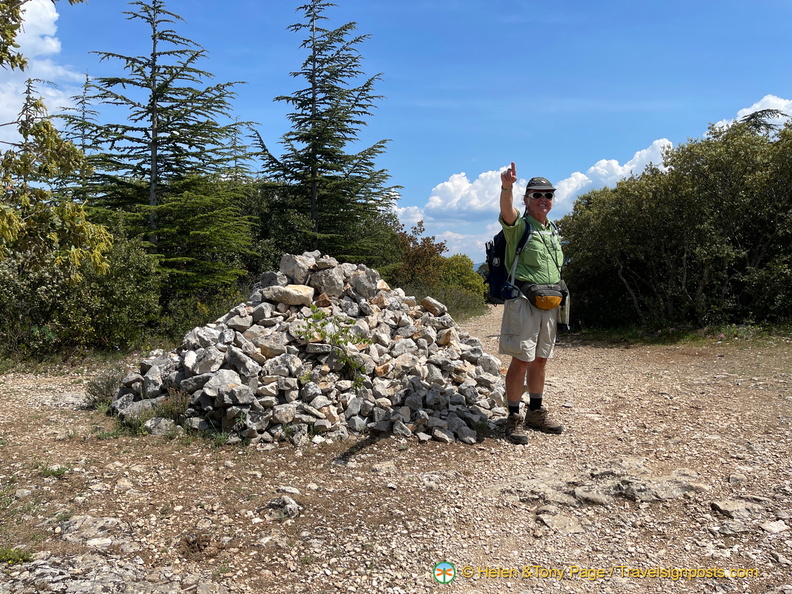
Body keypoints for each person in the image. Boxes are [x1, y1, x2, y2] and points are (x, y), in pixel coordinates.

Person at [498, 162, 565, 444]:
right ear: (527, 200)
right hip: (524, 302)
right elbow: (507, 212)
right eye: (536, 195)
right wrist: (507, 187)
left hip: (550, 303)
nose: (543, 199)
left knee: (541, 359)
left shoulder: (552, 231)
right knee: (522, 360)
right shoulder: (520, 226)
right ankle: (513, 417)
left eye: (548, 195)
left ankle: (535, 413)